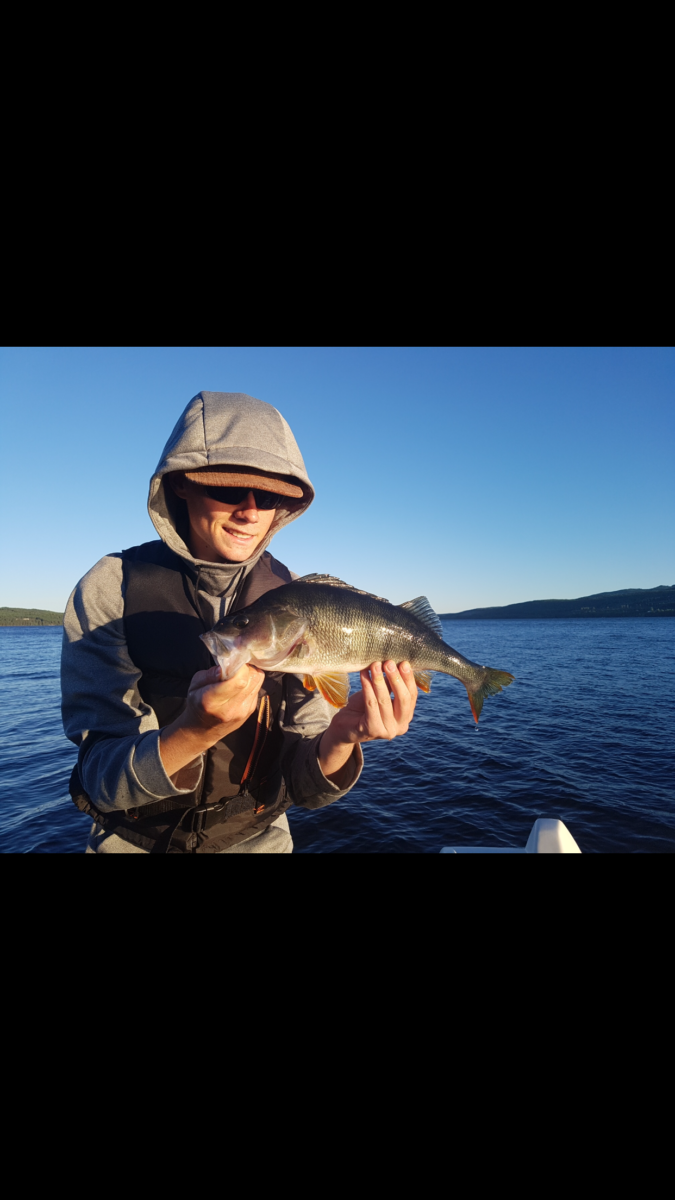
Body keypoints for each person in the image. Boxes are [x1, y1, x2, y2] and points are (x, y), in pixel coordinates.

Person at [62, 391, 418, 853]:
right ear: (182, 483)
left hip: (258, 837)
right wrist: (192, 732)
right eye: (229, 488)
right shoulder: (113, 586)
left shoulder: (292, 595)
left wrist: (344, 734)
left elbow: (305, 788)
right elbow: (98, 779)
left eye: (269, 495)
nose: (251, 511)